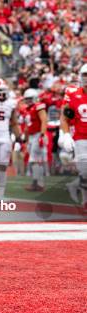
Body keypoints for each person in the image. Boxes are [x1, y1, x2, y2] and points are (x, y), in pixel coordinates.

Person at [59, 66, 87, 209]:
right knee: (84, 170)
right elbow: (64, 117)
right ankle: (85, 200)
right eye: (85, 75)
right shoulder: (72, 94)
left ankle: (72, 186)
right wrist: (66, 134)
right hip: (81, 137)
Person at [23, 89, 48, 192]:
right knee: (34, 160)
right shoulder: (28, 109)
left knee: (35, 160)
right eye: (26, 99)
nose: (28, 101)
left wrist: (42, 135)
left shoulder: (38, 106)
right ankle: (37, 182)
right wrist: (26, 140)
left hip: (38, 135)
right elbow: (27, 127)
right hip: (32, 136)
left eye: (29, 99)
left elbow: (44, 120)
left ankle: (38, 184)